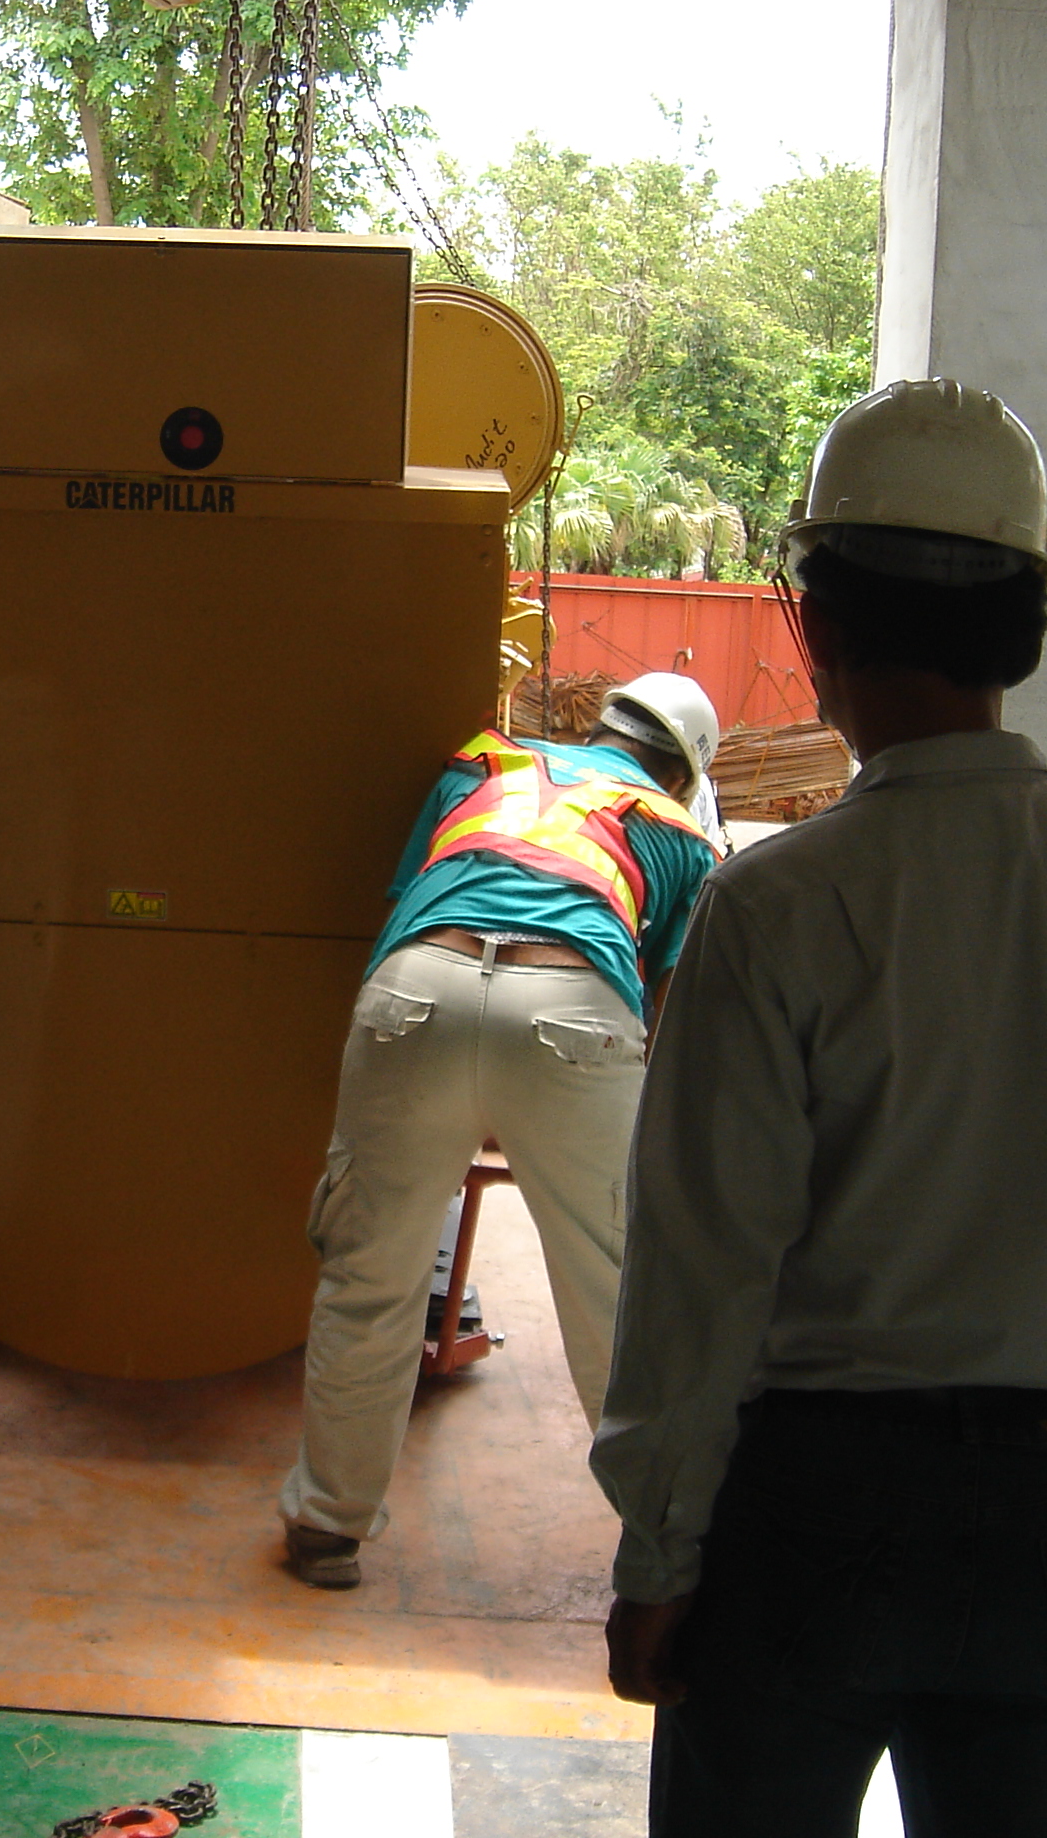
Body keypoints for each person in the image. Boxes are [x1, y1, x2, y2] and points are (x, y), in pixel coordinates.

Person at [591, 381, 1047, 1836]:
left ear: (815, 622)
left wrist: (661, 1559)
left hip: (808, 1524)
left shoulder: (778, 905)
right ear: (1031, 621)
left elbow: (700, 1275)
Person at [277, 672, 725, 1589]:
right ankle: (670, 1550)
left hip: (418, 989)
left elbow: (408, 892)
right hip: (572, 1007)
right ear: (682, 773)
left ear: (599, 726)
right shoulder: (679, 833)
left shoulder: (480, 763)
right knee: (617, 1294)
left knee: (371, 1274)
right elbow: (664, 1003)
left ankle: (327, 1525)